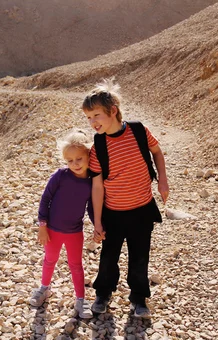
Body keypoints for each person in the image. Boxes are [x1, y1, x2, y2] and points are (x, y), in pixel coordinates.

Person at [82, 79, 169, 318]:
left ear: (113, 111)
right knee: (109, 257)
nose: (92, 122)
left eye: (96, 115)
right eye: (88, 118)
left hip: (142, 209)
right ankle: (103, 293)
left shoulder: (138, 130)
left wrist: (163, 179)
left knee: (140, 256)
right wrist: (97, 222)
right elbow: (97, 186)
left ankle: (139, 299)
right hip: (113, 213)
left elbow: (157, 152)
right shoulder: (98, 146)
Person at [30, 131, 93, 319]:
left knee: (76, 264)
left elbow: (91, 207)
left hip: (75, 232)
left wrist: (99, 225)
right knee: (50, 260)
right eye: (70, 160)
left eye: (79, 158)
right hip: (52, 231)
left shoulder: (91, 181)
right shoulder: (60, 176)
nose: (75, 164)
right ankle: (44, 289)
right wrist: (42, 226)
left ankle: (81, 300)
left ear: (89, 155)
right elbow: (45, 199)